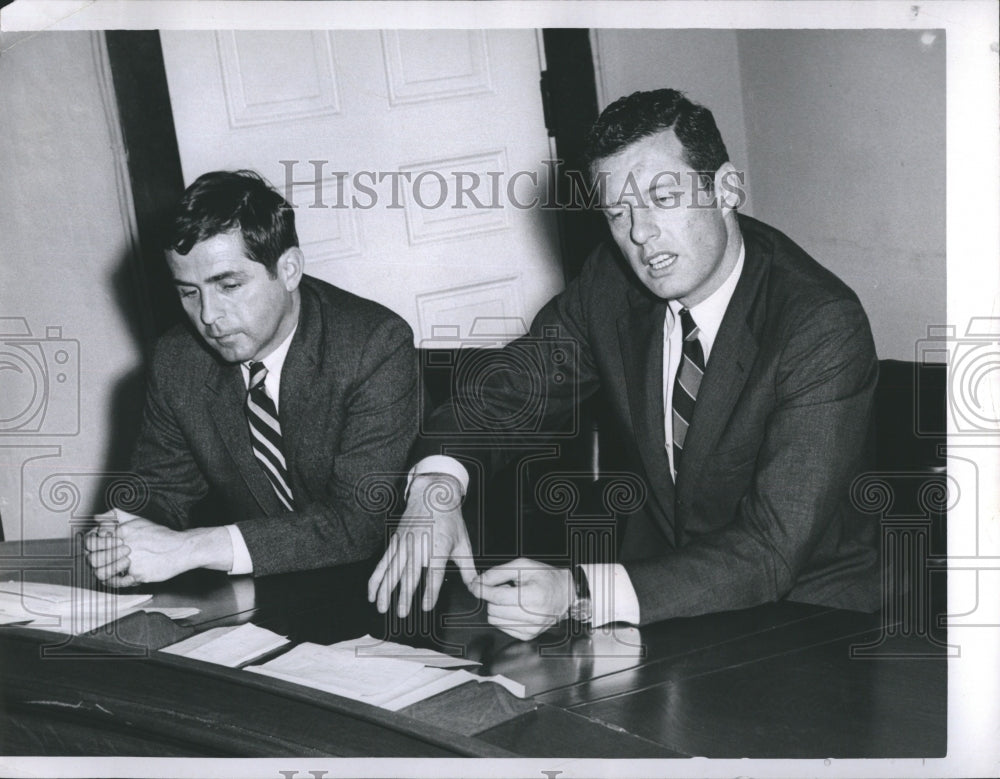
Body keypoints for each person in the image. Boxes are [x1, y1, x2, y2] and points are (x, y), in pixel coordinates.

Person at [368, 88, 880, 639]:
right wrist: (435, 488)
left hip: (806, 620)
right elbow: (508, 392)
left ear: (727, 188)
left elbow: (772, 549)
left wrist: (579, 592)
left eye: (662, 198)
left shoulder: (819, 323)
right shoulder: (610, 285)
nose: (639, 233)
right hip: (657, 605)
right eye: (618, 213)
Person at [85, 170, 417, 586]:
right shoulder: (177, 360)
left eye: (228, 285)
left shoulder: (374, 345)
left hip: (383, 587)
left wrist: (191, 548)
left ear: (290, 269)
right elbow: (159, 490)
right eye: (189, 292)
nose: (208, 316)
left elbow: (357, 523)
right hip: (263, 588)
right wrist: (124, 539)